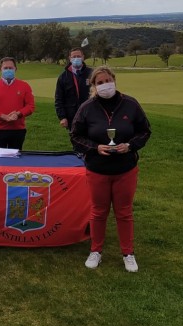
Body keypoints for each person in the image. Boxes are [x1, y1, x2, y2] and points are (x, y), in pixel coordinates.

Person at [70, 65, 151, 272]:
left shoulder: (130, 104)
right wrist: (95, 147)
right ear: (94, 87)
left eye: (107, 80)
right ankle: (96, 250)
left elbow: (144, 130)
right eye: (100, 83)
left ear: (114, 80)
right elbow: (76, 136)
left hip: (125, 168)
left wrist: (130, 145)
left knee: (124, 212)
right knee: (98, 212)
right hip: (97, 169)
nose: (105, 85)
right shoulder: (87, 108)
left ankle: (128, 253)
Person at [0, 57, 35, 151]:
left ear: (15, 69)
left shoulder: (24, 86)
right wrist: (3, 116)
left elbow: (30, 106)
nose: (8, 70)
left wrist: (18, 114)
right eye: (5, 68)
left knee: (15, 162)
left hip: (17, 130)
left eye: (10, 68)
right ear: (0, 69)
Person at [55, 48, 92, 131]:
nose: (76, 58)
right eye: (74, 56)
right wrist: (62, 117)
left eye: (78, 56)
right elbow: (59, 99)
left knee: (92, 140)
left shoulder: (91, 74)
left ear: (83, 57)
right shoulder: (63, 77)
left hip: (90, 114)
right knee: (76, 141)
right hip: (72, 116)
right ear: (70, 58)